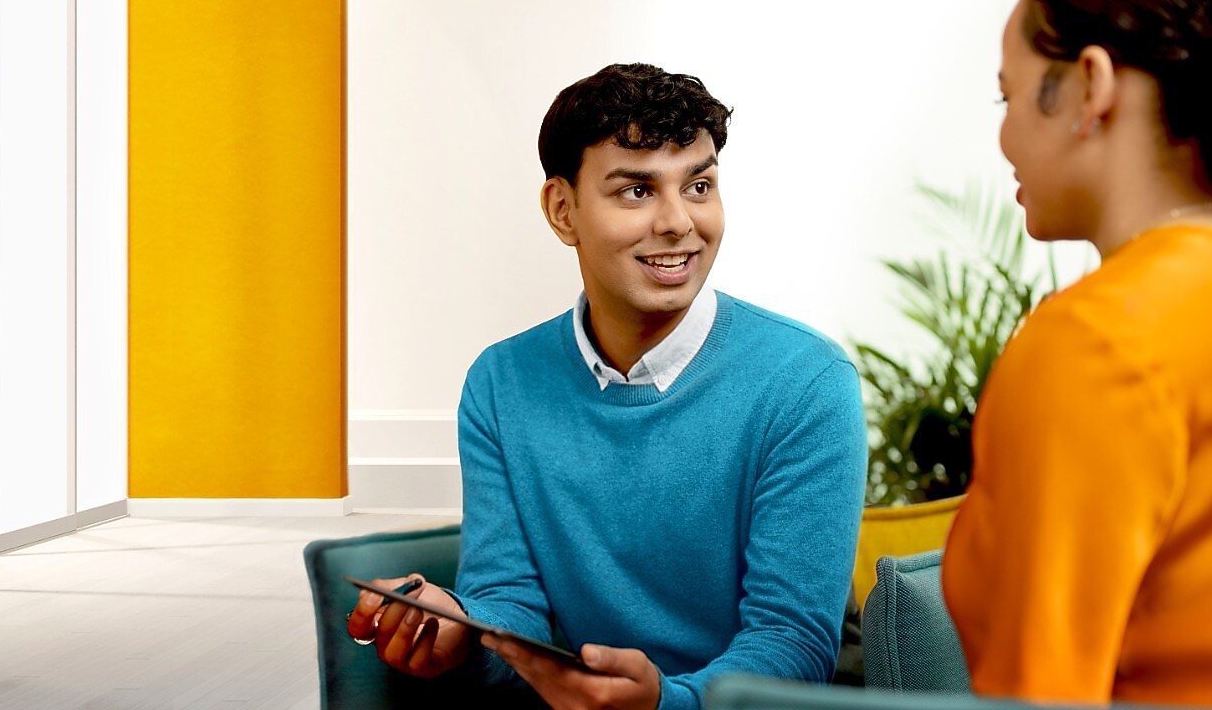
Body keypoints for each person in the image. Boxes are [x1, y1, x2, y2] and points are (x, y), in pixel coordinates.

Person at [347, 62, 867, 710]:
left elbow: (792, 645)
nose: (679, 221)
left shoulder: (808, 384)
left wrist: (663, 702)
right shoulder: (501, 384)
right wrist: (460, 626)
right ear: (562, 210)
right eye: (637, 190)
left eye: (698, 185)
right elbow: (509, 604)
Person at [942, 0, 1212, 706]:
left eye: (1008, 97)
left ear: (1090, 85)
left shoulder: (1095, 339)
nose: (1004, 137)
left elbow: (1042, 692)